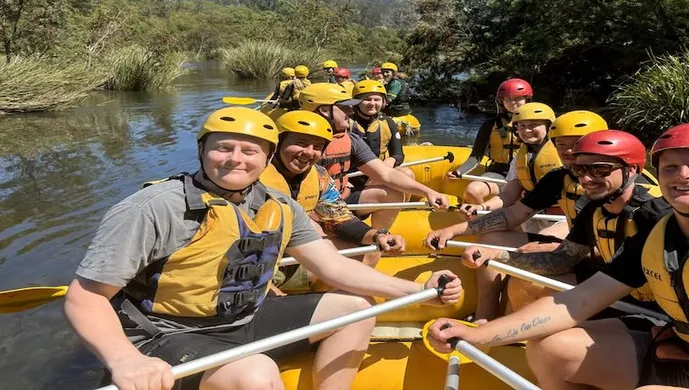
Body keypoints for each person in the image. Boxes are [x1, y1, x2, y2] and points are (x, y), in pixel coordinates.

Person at [64, 107, 462, 390]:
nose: (235, 158)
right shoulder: (154, 208)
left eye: (249, 150)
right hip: (167, 333)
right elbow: (85, 297)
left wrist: (418, 292)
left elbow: (334, 268)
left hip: (241, 319)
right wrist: (124, 360)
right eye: (223, 147)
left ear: (267, 158)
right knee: (256, 373)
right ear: (203, 150)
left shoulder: (279, 206)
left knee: (356, 309)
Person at [428, 123, 689, 390]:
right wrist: (480, 335)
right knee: (552, 349)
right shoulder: (660, 235)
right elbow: (574, 302)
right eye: (670, 168)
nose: (683, 176)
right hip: (683, 350)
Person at [469, 129, 670, 314]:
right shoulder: (592, 209)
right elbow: (563, 259)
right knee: (523, 284)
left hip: (655, 309)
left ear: (632, 170)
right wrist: (497, 255)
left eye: (600, 170)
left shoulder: (656, 218)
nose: (587, 179)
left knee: (552, 340)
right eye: (580, 170)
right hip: (615, 287)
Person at [426, 102, 563, 319]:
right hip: (534, 215)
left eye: (534, 125)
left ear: (550, 127)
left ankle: (512, 315)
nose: (527, 130)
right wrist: (480, 208)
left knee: (530, 249)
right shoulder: (524, 156)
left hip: (563, 224)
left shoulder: (565, 162)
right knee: (487, 240)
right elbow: (509, 198)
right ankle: (485, 315)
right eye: (522, 126)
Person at [259, 110, 404, 271]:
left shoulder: (320, 175)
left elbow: (338, 217)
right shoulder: (254, 176)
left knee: (370, 253)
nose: (308, 152)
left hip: (298, 247)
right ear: (277, 144)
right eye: (299, 143)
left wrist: (378, 235)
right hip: (260, 256)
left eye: (317, 147)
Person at [298, 83, 449, 232]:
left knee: (393, 192)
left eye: (377, 100)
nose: (351, 112)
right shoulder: (294, 145)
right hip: (308, 206)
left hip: (340, 198)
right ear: (324, 110)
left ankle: (378, 238)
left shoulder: (350, 139)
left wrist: (429, 192)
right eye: (345, 107)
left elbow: (386, 173)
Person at [447, 78, 531, 205]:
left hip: (527, 174)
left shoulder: (537, 126)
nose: (513, 102)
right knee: (472, 191)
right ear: (501, 101)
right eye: (508, 98)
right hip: (499, 173)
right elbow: (476, 156)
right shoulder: (490, 125)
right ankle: (485, 222)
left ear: (527, 99)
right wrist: (459, 171)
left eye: (518, 98)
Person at [349, 79, 413, 179]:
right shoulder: (346, 122)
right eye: (367, 99)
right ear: (356, 102)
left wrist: (391, 160)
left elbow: (398, 154)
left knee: (407, 173)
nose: (372, 103)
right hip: (352, 176)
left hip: (378, 173)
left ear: (383, 102)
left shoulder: (387, 122)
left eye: (377, 100)